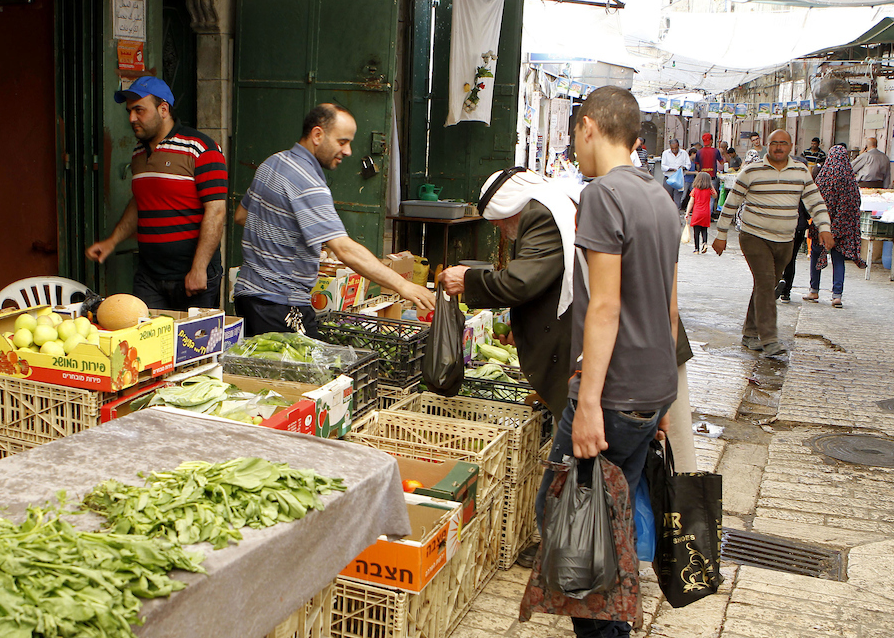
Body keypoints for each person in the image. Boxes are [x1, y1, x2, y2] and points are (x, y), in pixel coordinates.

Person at [526, 86, 680, 638]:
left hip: (612, 395)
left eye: (574, 134)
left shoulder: (603, 194)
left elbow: (606, 306)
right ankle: (606, 636)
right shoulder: (659, 196)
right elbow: (669, 308)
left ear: (589, 127)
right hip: (649, 388)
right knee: (608, 520)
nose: (575, 146)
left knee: (566, 516)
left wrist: (588, 401)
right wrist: (663, 400)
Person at [233, 104, 434, 335]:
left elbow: (242, 216)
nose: (348, 151)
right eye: (342, 142)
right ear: (317, 135)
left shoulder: (273, 163)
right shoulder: (308, 182)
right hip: (281, 304)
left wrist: (288, 240)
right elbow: (344, 250)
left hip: (248, 297)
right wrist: (403, 285)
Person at [438, 168, 580, 423]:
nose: (503, 233)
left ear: (509, 209)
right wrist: (525, 327)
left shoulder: (540, 215)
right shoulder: (550, 207)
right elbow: (547, 280)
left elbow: (520, 282)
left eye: (499, 224)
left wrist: (467, 280)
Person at [86, 77, 227, 309]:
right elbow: (141, 202)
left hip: (191, 276)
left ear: (163, 110)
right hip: (149, 275)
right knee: (145, 331)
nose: (132, 118)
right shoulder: (138, 153)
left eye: (139, 110)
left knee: (193, 335)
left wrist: (199, 268)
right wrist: (112, 241)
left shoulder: (201, 148)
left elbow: (217, 211)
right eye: (129, 112)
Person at [712, 130, 833, 357]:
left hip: (785, 240)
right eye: (774, 143)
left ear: (791, 146)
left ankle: (750, 333)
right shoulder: (752, 171)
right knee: (767, 284)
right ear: (767, 145)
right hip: (754, 236)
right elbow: (732, 201)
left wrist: (824, 227)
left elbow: (815, 201)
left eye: (783, 143)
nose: (778, 147)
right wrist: (721, 234)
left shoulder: (800, 172)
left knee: (765, 286)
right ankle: (769, 340)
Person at [803, 145, 866, 307]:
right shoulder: (850, 179)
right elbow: (856, 203)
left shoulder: (823, 177)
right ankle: (837, 295)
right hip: (842, 228)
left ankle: (814, 290)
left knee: (816, 254)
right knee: (838, 259)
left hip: (822, 226)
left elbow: (814, 201)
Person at [775, 201, 810, 304]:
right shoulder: (800, 192)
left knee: (776, 256)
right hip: (798, 226)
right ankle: (786, 293)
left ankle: (776, 282)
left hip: (781, 226)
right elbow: (809, 212)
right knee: (791, 258)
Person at [689, 172, 714, 254]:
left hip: (697, 212)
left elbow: (691, 202)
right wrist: (711, 186)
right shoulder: (709, 190)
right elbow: (715, 195)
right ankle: (705, 243)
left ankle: (696, 249)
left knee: (696, 231)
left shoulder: (695, 190)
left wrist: (687, 213)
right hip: (706, 212)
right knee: (704, 229)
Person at [660, 138, 690, 207]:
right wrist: (671, 169)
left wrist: (683, 167)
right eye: (672, 148)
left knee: (678, 199)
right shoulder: (665, 153)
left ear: (678, 146)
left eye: (676, 148)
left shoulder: (684, 153)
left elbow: (688, 165)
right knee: (667, 198)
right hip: (669, 178)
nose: (674, 150)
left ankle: (676, 211)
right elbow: (663, 167)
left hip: (679, 179)